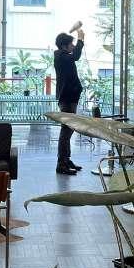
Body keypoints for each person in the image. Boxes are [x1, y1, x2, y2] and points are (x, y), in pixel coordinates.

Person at [53, 29, 84, 174]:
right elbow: (76, 56)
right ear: (64, 46)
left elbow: (74, 56)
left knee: (68, 130)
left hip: (69, 97)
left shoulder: (63, 56)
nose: (73, 46)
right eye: (71, 44)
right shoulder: (61, 56)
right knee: (66, 131)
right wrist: (81, 39)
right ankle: (61, 164)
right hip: (67, 98)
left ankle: (66, 159)